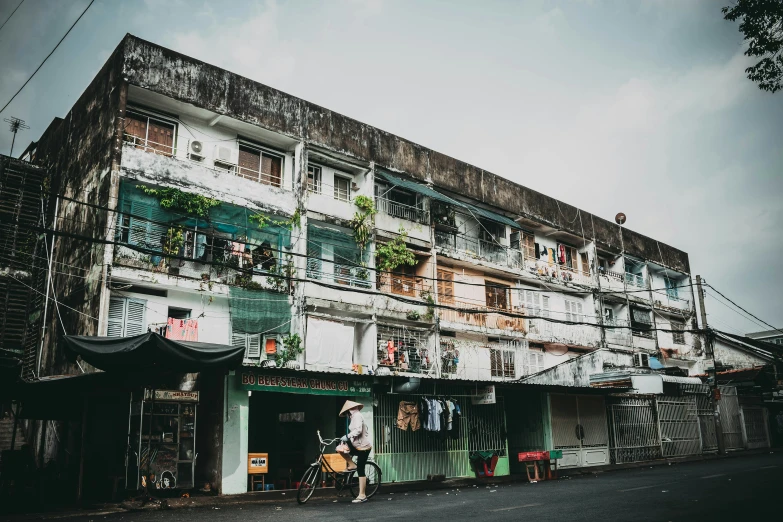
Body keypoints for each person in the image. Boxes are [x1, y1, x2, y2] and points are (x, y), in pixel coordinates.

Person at [337, 400, 372, 503]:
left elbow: (358, 430)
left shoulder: (357, 416)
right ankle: (352, 465)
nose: (346, 415)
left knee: (361, 469)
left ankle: (362, 495)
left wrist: (347, 436)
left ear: (349, 411)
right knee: (340, 449)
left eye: (346, 413)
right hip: (356, 445)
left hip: (364, 447)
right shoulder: (353, 416)